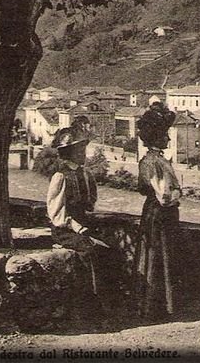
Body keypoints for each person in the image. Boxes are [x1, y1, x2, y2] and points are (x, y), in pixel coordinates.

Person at [45, 123, 119, 312]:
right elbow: (56, 212)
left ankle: (110, 300)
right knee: (88, 252)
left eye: (83, 151)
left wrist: (89, 217)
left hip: (84, 223)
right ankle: (89, 303)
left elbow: (91, 199)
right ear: (69, 154)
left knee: (111, 247)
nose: (83, 155)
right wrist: (76, 226)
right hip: (65, 229)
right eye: (79, 152)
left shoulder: (85, 174)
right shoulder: (60, 177)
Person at [134, 102, 181, 320]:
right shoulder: (153, 162)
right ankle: (158, 308)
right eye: (165, 135)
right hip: (160, 215)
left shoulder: (154, 159)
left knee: (161, 258)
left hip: (157, 213)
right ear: (157, 137)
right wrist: (177, 195)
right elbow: (164, 195)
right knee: (158, 257)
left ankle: (159, 307)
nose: (169, 139)